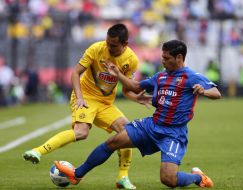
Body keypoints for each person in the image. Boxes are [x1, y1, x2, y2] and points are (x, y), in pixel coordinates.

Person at [54, 40, 221, 188]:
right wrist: (118, 75)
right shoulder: (160, 76)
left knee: (168, 180)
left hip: (173, 134)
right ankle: (77, 175)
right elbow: (135, 87)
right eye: (162, 57)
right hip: (152, 125)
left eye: (166, 58)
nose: (162, 61)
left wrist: (204, 92)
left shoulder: (192, 77)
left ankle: (197, 178)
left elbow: (216, 92)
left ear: (179, 58)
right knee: (113, 142)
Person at [23, 23, 147, 189]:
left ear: (125, 44)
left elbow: (126, 89)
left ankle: (122, 178)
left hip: (105, 103)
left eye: (113, 45)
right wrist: (80, 97)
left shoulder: (131, 60)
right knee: (81, 132)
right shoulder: (96, 49)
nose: (108, 47)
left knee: (127, 133)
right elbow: (75, 73)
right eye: (107, 42)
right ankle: (37, 151)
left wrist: (135, 98)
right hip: (85, 97)